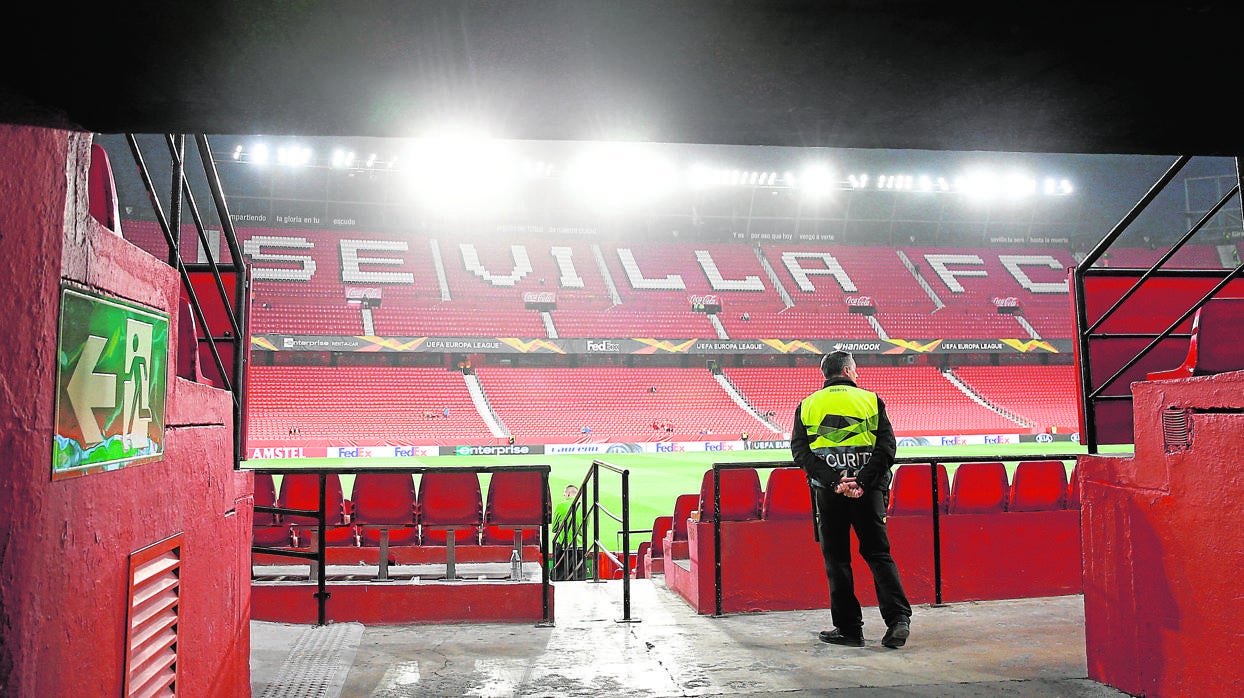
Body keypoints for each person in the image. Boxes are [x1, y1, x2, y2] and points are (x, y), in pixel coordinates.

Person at [791, 350, 911, 649]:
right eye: (855, 370)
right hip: (868, 493)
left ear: (825, 374)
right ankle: (898, 621)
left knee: (837, 561)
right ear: (846, 370)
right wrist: (862, 481)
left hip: (828, 495)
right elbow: (887, 449)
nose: (857, 374)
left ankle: (849, 630)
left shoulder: (807, 405)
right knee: (879, 555)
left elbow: (801, 453)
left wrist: (835, 482)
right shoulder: (870, 400)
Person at [551, 484, 585, 580]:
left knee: (560, 576)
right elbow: (582, 531)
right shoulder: (583, 507)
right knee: (578, 578)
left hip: (563, 547)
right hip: (579, 547)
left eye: (564, 494)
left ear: (568, 493)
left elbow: (554, 529)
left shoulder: (560, 506)